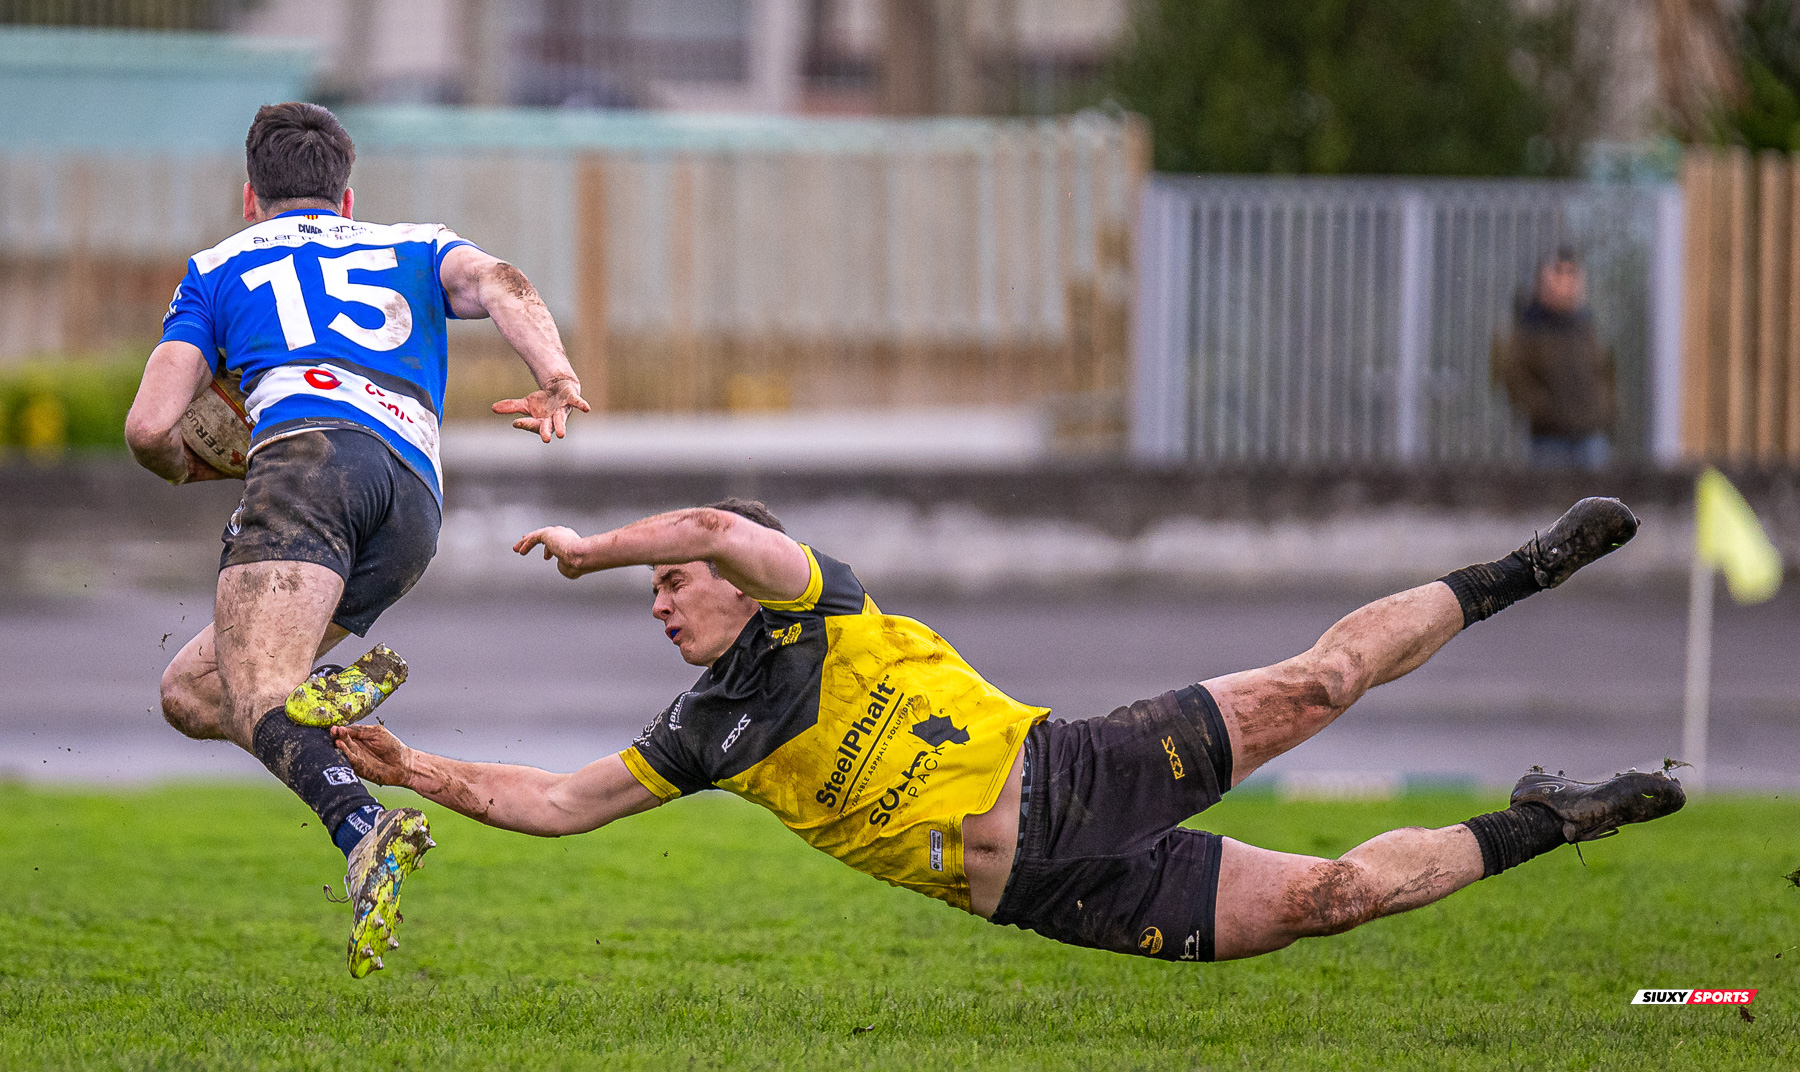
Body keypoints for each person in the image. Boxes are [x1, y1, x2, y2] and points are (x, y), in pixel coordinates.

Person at [330, 495, 1684, 965]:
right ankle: (1547, 818)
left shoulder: (815, 602)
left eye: (668, 586)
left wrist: (591, 550)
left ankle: (1526, 569)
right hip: (1052, 893)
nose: (660, 599)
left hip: (1071, 767)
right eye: (647, 592)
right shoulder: (706, 733)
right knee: (1332, 900)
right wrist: (416, 768)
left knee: (1322, 685)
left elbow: (714, 530)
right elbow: (560, 803)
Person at [126, 102, 590, 978]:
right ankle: (325, 693)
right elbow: (505, 282)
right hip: (413, 498)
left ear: (251, 196)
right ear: (346, 200)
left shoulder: (219, 266)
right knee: (192, 690)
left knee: (260, 696)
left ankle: (362, 825)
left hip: (306, 466)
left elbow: (150, 426)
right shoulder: (414, 242)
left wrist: (193, 467)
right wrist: (556, 377)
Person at [1496, 250, 1616, 469]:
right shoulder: (1528, 329)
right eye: (1558, 274)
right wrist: (1550, 414)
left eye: (1571, 275)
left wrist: (1600, 414)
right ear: (1542, 281)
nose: (1565, 283)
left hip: (1590, 438)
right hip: (1549, 440)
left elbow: (1605, 376)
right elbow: (1516, 380)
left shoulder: (1587, 328)